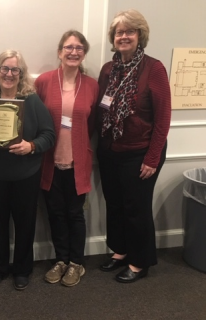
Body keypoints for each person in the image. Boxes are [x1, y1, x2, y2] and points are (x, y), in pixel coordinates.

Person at [0, 50, 55, 291]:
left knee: (25, 224)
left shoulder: (32, 101)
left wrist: (31, 146)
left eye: (14, 70)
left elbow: (49, 134)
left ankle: (22, 269)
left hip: (25, 175)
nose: (9, 74)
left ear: (21, 74)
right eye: (4, 69)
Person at [96, 9, 171, 283]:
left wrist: (152, 158)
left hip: (141, 152)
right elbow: (100, 111)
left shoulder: (154, 68)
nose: (124, 36)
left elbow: (163, 119)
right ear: (113, 38)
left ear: (140, 36)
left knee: (136, 207)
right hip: (110, 150)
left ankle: (140, 261)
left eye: (130, 31)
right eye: (119, 32)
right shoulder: (108, 69)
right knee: (114, 204)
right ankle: (120, 251)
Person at [35, 30, 99, 287]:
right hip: (50, 160)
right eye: (68, 47)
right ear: (60, 52)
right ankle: (61, 259)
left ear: (84, 53)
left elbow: (92, 123)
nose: (74, 52)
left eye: (79, 48)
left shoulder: (93, 85)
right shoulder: (44, 81)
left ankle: (76, 263)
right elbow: (36, 120)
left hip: (77, 162)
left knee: (75, 214)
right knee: (55, 213)